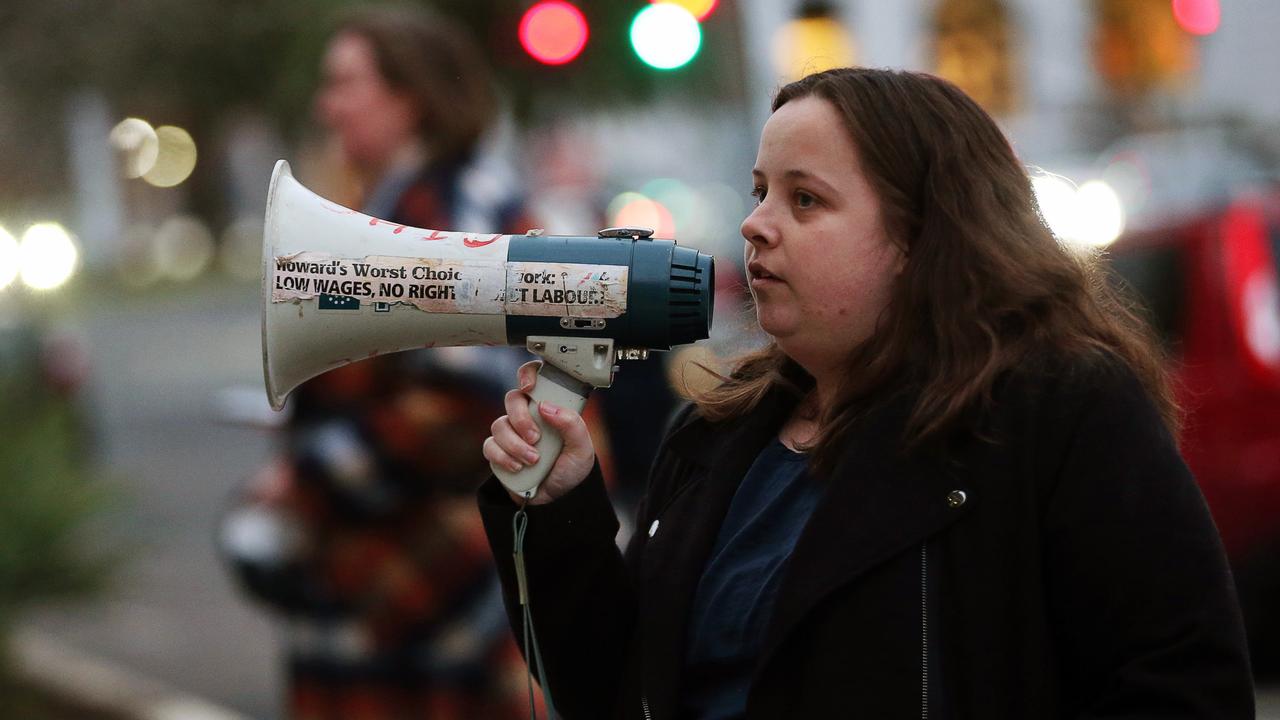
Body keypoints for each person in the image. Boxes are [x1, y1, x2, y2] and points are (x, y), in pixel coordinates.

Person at [476, 68, 1255, 718]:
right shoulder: (712, 437)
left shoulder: (1056, 411)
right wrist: (558, 517)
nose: (756, 225)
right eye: (759, 193)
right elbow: (617, 691)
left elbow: (1181, 686)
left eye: (804, 199)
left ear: (924, 237)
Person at [220, 6, 532, 719]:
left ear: (410, 94)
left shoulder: (458, 208)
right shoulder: (395, 204)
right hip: (392, 591)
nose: (327, 105)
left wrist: (308, 474)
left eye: (345, 83)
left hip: (432, 595)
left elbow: (468, 401)